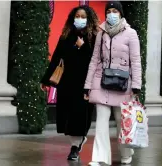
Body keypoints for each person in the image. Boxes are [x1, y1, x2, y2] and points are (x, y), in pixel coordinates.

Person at [83, 1, 141, 166]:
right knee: (101, 121)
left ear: (121, 14)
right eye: (109, 11)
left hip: (123, 84)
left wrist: (137, 85)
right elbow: (94, 60)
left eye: (115, 11)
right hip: (102, 82)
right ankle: (100, 158)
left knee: (122, 121)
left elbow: (136, 61)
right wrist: (88, 85)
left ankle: (126, 153)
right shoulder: (101, 33)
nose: (111, 14)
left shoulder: (131, 33)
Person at [40, 5, 99, 161]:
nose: (79, 19)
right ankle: (76, 142)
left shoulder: (94, 37)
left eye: (83, 16)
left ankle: (75, 147)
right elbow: (56, 58)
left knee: (81, 115)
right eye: (77, 16)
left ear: (89, 19)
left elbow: (96, 60)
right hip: (67, 82)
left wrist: (83, 46)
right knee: (69, 115)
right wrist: (45, 80)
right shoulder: (66, 36)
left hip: (85, 83)